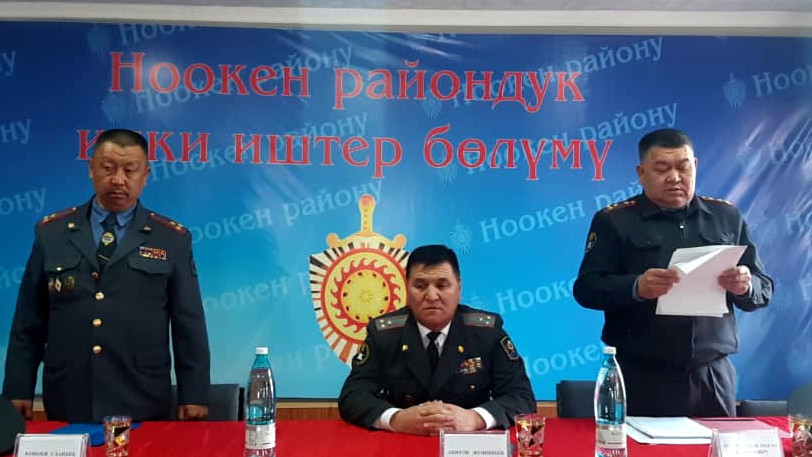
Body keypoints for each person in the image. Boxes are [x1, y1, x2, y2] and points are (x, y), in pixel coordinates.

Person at [2, 129, 211, 423]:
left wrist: (195, 394)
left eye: (130, 170)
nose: (118, 180)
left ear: (146, 175)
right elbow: (28, 320)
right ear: (91, 169)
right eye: (108, 168)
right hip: (68, 393)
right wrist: (17, 387)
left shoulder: (171, 238)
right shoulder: (52, 232)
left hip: (142, 395)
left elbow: (188, 324)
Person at [573, 128, 773, 417]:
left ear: (696, 166)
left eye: (683, 167)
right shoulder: (614, 220)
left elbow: (764, 288)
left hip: (713, 374)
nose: (675, 177)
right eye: (662, 169)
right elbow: (587, 289)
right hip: (642, 373)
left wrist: (746, 285)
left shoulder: (726, 216)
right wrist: (636, 287)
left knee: (717, 440)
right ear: (641, 173)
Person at [338, 244, 536, 435]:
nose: (432, 296)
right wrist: (396, 419)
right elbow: (353, 396)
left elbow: (521, 397)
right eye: (420, 286)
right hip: (403, 442)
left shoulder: (486, 333)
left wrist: (476, 418)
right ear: (407, 288)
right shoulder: (384, 335)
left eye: (442, 285)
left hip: (466, 445)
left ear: (459, 288)